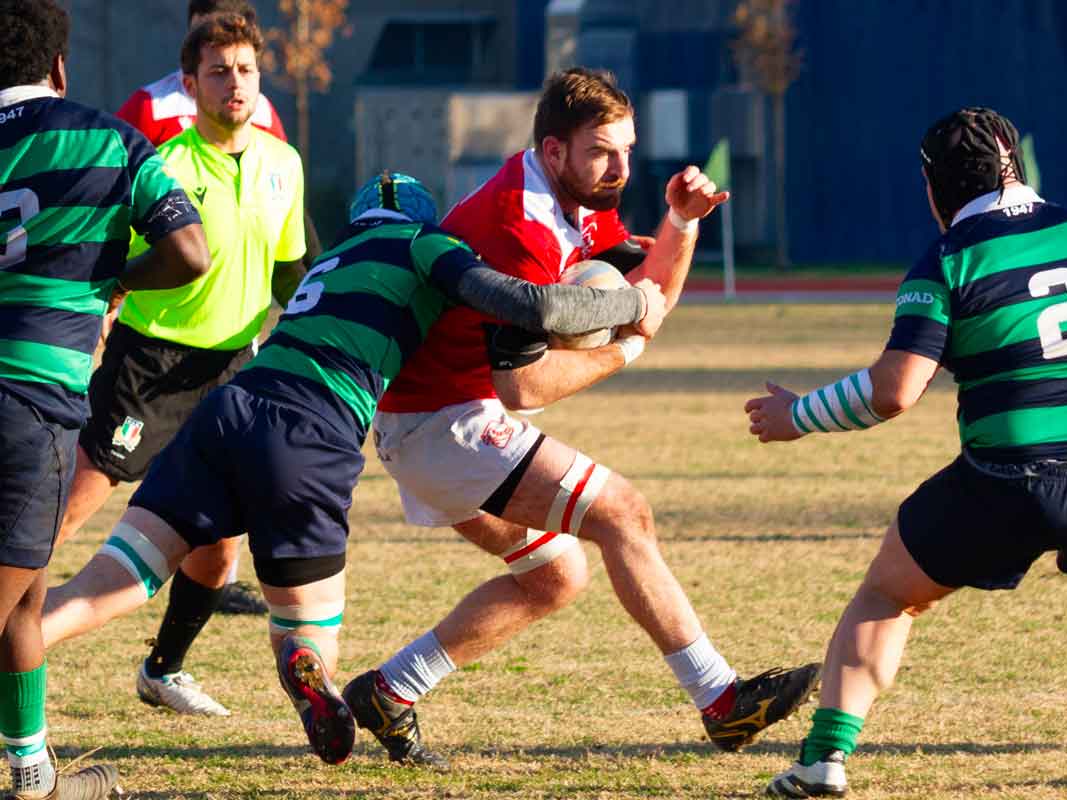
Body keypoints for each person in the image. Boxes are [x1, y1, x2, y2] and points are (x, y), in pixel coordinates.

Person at [40, 172, 668, 767]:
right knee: (307, 630)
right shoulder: (424, 243)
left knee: (113, 576)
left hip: (227, 410)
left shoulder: (333, 259)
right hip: (310, 432)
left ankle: (25, 641)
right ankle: (307, 664)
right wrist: (635, 304)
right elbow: (534, 306)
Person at [343, 67, 820, 769]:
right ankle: (722, 703)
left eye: (627, 148)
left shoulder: (573, 196)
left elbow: (650, 292)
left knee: (554, 578)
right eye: (603, 150)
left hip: (436, 421)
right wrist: (624, 350)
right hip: (445, 422)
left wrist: (681, 221)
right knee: (624, 513)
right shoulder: (518, 226)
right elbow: (526, 387)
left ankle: (391, 691)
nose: (620, 167)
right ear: (554, 149)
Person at [746, 107, 1067, 798]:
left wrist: (797, 416)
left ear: (935, 190)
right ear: (1017, 166)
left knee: (888, 596)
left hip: (1008, 477)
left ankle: (824, 759)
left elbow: (896, 391)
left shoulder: (951, 257)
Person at [44, 12, 307, 717]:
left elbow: (290, 275)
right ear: (189, 85)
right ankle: (14, 631)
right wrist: (102, 305)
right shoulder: (165, 164)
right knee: (63, 510)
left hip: (234, 370)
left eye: (246, 69)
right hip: (151, 366)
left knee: (219, 544)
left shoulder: (286, 165)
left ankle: (162, 670)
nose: (235, 83)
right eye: (219, 71)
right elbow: (110, 259)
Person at [0, 1, 210, 797]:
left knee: (27, 592)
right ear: (59, 68)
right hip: (29, 405)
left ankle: (31, 775)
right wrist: (114, 276)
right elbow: (190, 252)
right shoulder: (111, 140)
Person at [115, 0, 286, 147]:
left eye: (214, 38)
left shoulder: (262, 113)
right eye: (195, 35)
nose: (199, 44)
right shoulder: (151, 106)